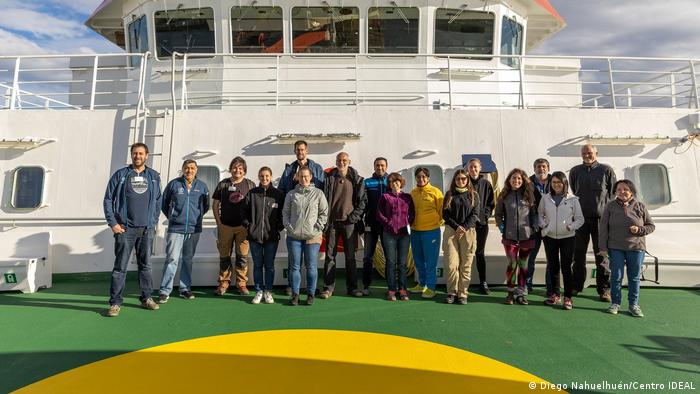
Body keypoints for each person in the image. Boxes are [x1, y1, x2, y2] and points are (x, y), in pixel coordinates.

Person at [103, 143, 162, 317]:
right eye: (135, 153)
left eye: (141, 153)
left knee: (146, 266)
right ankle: (115, 303)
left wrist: (153, 220)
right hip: (125, 229)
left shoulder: (153, 176)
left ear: (147, 155)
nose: (138, 156)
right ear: (131, 155)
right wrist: (113, 223)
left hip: (147, 229)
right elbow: (108, 199)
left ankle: (147, 298)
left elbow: (158, 200)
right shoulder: (121, 175)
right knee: (120, 268)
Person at [599, 180, 655, 317]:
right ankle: (615, 303)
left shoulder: (640, 206)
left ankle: (633, 305)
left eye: (625, 189)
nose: (622, 192)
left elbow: (651, 226)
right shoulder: (610, 206)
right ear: (615, 192)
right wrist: (603, 248)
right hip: (615, 247)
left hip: (636, 248)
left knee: (634, 277)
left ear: (631, 191)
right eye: (619, 189)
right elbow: (603, 229)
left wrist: (639, 229)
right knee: (616, 276)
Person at [158, 160, 210, 303]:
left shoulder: (202, 187)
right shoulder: (174, 184)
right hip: (175, 228)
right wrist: (174, 217)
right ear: (182, 169)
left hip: (193, 229)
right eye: (187, 168)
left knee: (187, 259)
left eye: (192, 168)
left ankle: (185, 289)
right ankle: (164, 290)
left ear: (196, 170)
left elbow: (205, 206)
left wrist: (194, 218)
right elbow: (164, 204)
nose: (189, 170)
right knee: (172, 259)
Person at [569, 144, 616, 301]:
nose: (586, 155)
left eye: (589, 152)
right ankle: (576, 286)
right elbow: (575, 192)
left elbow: (612, 193)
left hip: (600, 221)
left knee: (602, 256)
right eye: (584, 153)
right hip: (580, 219)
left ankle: (604, 290)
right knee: (578, 254)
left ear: (596, 153)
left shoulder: (606, 170)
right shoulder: (575, 171)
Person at [278, 140, 325, 295]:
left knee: (311, 263)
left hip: (311, 223)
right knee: (294, 262)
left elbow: (322, 190)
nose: (300, 152)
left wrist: (318, 226)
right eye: (298, 150)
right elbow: (282, 191)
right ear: (295, 151)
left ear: (307, 151)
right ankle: (293, 287)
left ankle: (311, 289)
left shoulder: (316, 168)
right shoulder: (289, 170)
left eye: (303, 149)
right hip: (294, 221)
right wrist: (287, 223)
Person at [320, 152, 367, 298]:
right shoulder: (328, 178)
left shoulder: (357, 179)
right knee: (329, 256)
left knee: (350, 257)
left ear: (349, 161)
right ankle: (328, 288)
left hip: (349, 224)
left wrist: (353, 218)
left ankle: (352, 288)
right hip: (332, 223)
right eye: (339, 160)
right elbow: (322, 199)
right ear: (336, 161)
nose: (342, 162)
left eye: (344, 160)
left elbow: (362, 202)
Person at [283, 166, 329, 305]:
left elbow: (323, 213)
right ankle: (295, 295)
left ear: (311, 177)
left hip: (312, 237)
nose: (303, 179)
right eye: (301, 176)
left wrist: (317, 227)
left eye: (306, 176)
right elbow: (285, 212)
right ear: (297, 177)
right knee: (295, 267)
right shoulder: (291, 194)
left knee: (311, 266)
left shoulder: (318, 194)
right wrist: (289, 227)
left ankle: (310, 294)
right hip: (294, 236)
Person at [538, 171, 583, 310]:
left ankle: (568, 297)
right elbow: (540, 214)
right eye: (554, 182)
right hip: (550, 237)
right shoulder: (545, 198)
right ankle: (555, 295)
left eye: (559, 182)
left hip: (567, 238)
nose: (556, 185)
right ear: (551, 184)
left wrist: (571, 226)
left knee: (566, 267)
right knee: (553, 267)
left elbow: (580, 219)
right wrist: (544, 225)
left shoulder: (573, 199)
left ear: (564, 183)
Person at [212, 157, 256, 296]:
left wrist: (250, 224)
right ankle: (224, 283)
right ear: (231, 169)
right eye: (235, 167)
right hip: (225, 226)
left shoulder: (250, 185)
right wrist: (219, 223)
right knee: (224, 256)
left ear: (244, 170)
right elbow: (215, 204)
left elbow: (254, 206)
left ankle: (241, 284)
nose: (237, 170)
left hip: (243, 228)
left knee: (242, 256)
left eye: (240, 168)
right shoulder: (223, 184)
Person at [495, 168, 537, 305]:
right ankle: (510, 293)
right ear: (509, 180)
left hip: (527, 236)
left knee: (523, 265)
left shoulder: (529, 195)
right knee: (512, 264)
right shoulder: (504, 195)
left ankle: (521, 293)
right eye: (513, 178)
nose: (516, 181)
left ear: (523, 180)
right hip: (509, 236)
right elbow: (498, 214)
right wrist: (501, 226)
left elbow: (534, 214)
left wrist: (534, 227)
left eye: (519, 178)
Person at [243, 167, 284, 305]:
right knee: (257, 265)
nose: (264, 178)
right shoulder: (252, 193)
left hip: (271, 237)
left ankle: (268, 291)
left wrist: (278, 228)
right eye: (261, 176)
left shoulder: (278, 194)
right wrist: (249, 227)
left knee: (269, 265)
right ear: (258, 177)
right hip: (255, 237)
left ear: (271, 176)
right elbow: (244, 212)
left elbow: (283, 214)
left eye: (267, 176)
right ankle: (259, 291)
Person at [442, 170, 480, 305]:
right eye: (458, 179)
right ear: (454, 180)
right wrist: (457, 227)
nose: (461, 181)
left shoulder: (473, 195)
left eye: (463, 179)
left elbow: (475, 214)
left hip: (468, 231)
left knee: (466, 264)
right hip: (451, 231)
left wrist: (464, 227)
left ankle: (463, 293)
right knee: (451, 264)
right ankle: (452, 292)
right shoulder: (449, 195)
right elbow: (445, 214)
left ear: (467, 180)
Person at [376, 172, 415, 301]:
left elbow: (412, 213)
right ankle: (391, 290)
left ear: (401, 182)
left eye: (397, 181)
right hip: (389, 234)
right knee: (391, 263)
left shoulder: (407, 197)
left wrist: (408, 223)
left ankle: (403, 289)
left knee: (402, 263)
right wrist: (389, 223)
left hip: (404, 234)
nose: (395, 183)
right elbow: (380, 214)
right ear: (390, 184)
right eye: (392, 182)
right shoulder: (385, 197)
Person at [408, 167, 444, 299]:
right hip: (415, 231)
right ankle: (421, 283)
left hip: (431, 232)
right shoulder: (413, 193)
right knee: (418, 260)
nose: (421, 179)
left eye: (424, 176)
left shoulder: (436, 192)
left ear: (428, 178)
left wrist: (433, 223)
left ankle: (431, 287)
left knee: (430, 261)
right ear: (416, 178)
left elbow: (441, 211)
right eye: (418, 177)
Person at [466, 158, 495, 294]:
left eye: (475, 167)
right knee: (465, 253)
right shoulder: (463, 182)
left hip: (481, 224)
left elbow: (491, 203)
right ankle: (463, 282)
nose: (473, 169)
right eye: (471, 167)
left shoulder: (486, 184)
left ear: (480, 168)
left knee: (479, 253)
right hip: (467, 225)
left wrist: (485, 215)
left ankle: (483, 282)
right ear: (467, 168)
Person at [361, 157, 389, 295]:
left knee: (390, 256)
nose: (380, 168)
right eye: (377, 165)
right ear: (374, 166)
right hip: (370, 224)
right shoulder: (367, 182)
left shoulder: (391, 181)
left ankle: (391, 287)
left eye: (382, 165)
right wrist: (361, 221)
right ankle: (366, 286)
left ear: (386, 166)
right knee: (368, 257)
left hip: (387, 226)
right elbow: (362, 204)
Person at [526, 158, 552, 294]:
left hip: (550, 225)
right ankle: (527, 285)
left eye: (543, 166)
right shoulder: (528, 182)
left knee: (551, 257)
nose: (541, 169)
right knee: (531, 257)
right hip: (534, 225)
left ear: (548, 168)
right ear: (534, 168)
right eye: (538, 167)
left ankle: (550, 286)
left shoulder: (555, 181)